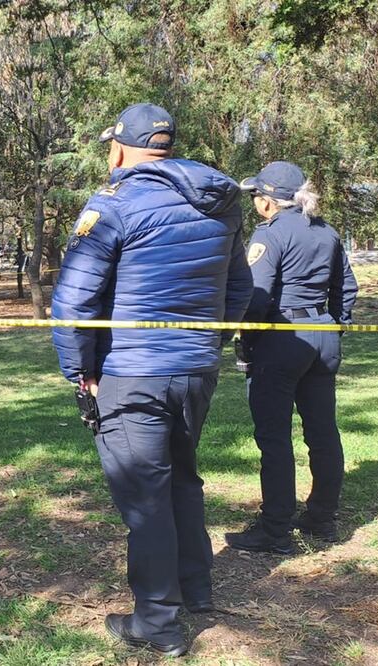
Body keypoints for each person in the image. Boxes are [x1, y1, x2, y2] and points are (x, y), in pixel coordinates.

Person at [51, 103, 253, 658]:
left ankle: (158, 622)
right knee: (182, 480)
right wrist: (208, 345)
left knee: (146, 498)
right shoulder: (220, 201)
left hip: (132, 373)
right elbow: (240, 289)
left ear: (118, 148)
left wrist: (80, 371)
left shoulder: (113, 204)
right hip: (194, 371)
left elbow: (72, 303)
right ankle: (196, 590)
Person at [225, 162, 358, 554]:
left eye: (256, 197)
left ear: (269, 201)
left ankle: (275, 529)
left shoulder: (271, 234)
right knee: (322, 431)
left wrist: (247, 338)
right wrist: (335, 324)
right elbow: (345, 287)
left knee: (274, 437)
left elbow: (257, 296)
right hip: (322, 336)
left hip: (282, 340)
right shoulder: (328, 231)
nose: (254, 204)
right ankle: (322, 518)